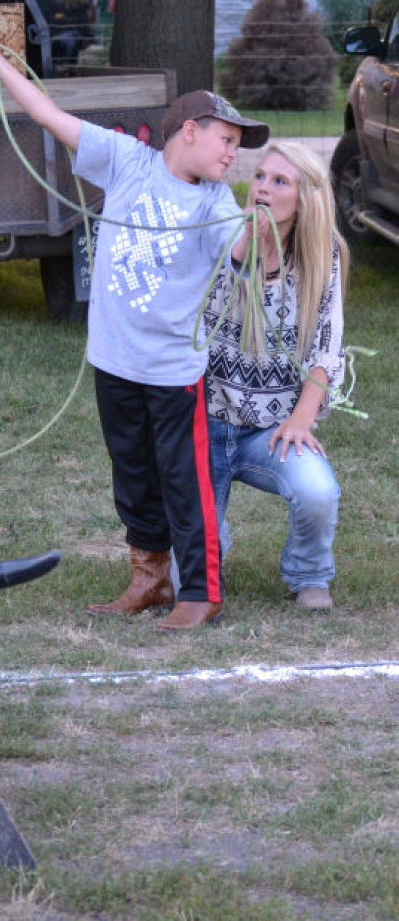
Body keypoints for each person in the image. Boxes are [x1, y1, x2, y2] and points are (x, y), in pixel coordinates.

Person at [0, 36, 269, 629]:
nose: (232, 153)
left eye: (237, 145)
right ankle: (149, 579)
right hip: (114, 359)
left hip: (174, 370)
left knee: (184, 478)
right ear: (188, 131)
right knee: (130, 473)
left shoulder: (216, 204)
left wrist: (260, 224)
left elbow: (239, 250)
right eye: (226, 140)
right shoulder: (127, 161)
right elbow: (50, 115)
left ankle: (200, 592)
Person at [172, 140, 348, 614]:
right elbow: (219, 295)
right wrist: (249, 241)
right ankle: (206, 562)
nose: (262, 188)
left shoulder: (321, 254)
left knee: (317, 491)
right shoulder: (228, 230)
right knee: (182, 581)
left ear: (305, 197)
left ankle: (309, 574)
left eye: (279, 181)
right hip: (205, 423)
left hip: (269, 430)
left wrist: (301, 420)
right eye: (261, 176)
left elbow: (326, 348)